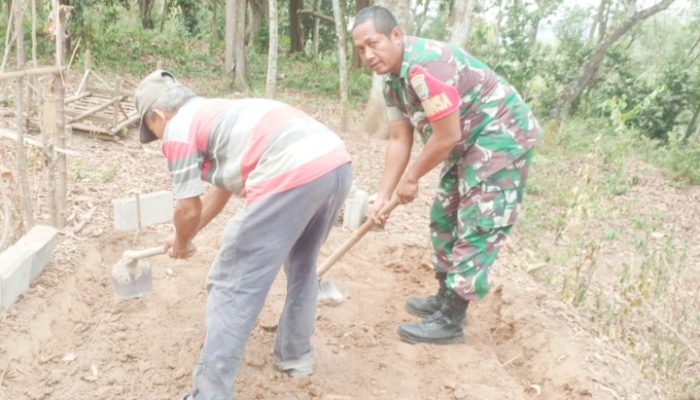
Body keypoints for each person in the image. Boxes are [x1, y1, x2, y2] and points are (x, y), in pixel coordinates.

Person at [134, 70, 352, 399]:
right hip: (335, 164)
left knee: (231, 284)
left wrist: (181, 241)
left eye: (153, 131)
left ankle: (208, 394)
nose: (159, 140)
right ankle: (295, 357)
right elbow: (218, 193)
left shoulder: (177, 130)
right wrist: (183, 237)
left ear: (157, 115)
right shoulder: (216, 112)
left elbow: (188, 208)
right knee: (303, 264)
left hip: (292, 171)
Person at [351, 6, 540, 345]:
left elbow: (447, 135)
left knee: (478, 220)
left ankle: (452, 317)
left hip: (501, 134)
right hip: (465, 141)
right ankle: (444, 296)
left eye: (373, 43)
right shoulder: (392, 79)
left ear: (396, 35)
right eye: (360, 49)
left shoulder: (427, 66)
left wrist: (413, 178)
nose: (368, 55)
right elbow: (399, 138)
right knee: (443, 214)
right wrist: (383, 194)